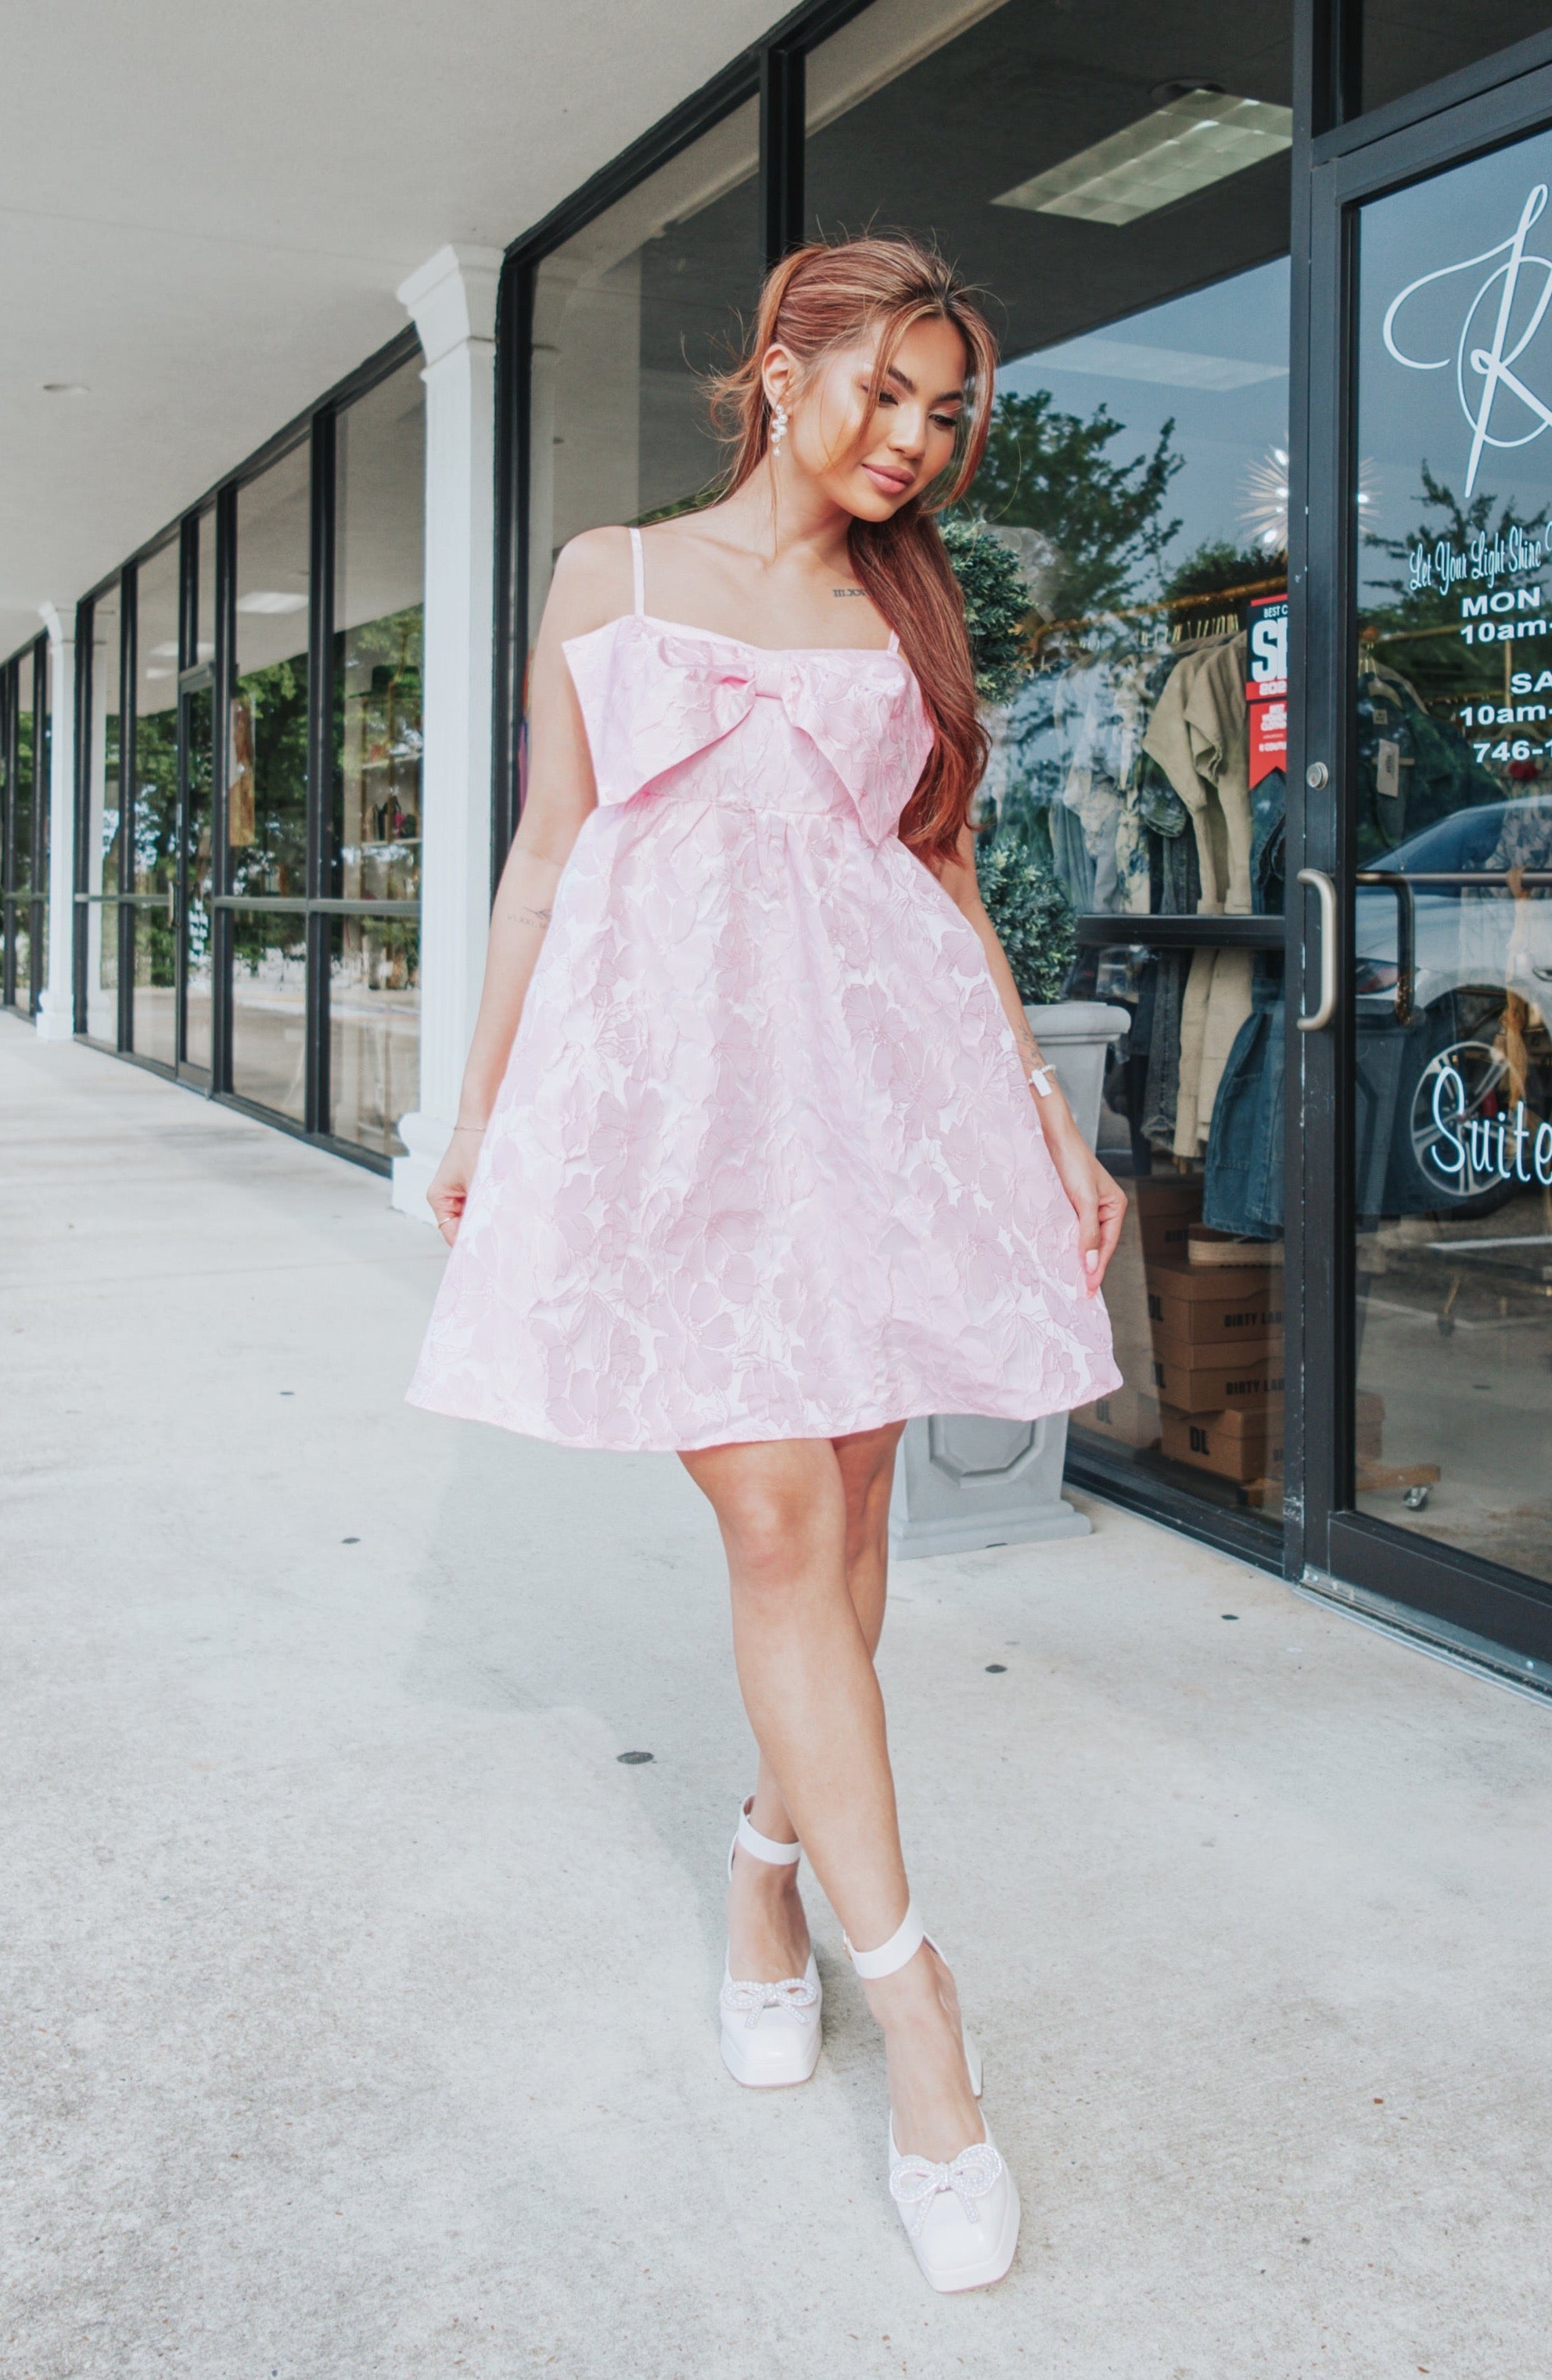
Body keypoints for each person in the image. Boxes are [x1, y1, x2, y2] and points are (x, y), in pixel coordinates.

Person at [408, 235, 1123, 2292]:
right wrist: (478, 1111)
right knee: (781, 1517)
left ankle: (758, 1864)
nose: (913, 440)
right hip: (670, 1126)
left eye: (942, 413)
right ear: (779, 363)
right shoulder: (610, 572)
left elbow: (948, 896)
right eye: (886, 389)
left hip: (875, 1113)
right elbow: (548, 854)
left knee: (861, 1504)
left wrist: (1043, 1116)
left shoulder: (904, 614)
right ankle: (920, 2016)